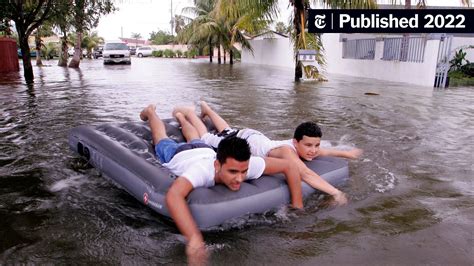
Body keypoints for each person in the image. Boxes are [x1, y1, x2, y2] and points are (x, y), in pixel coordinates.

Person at [139, 104, 303, 264]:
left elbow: (289, 167)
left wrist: (297, 206)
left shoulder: (246, 164)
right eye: (232, 172)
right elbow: (174, 195)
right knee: (161, 139)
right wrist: (194, 239)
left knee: (195, 138)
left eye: (243, 172)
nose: (239, 178)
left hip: (204, 149)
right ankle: (151, 112)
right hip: (179, 155)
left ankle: (181, 116)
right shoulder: (202, 170)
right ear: (217, 166)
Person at [174, 101, 363, 206]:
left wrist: (348, 154)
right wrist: (336, 192)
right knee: (207, 137)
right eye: (309, 146)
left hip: (254, 136)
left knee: (228, 130)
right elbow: (304, 173)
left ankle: (207, 109)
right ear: (296, 143)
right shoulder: (287, 150)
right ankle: (190, 114)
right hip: (248, 138)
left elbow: (324, 150)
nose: (313, 151)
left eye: (315, 146)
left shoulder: (302, 146)